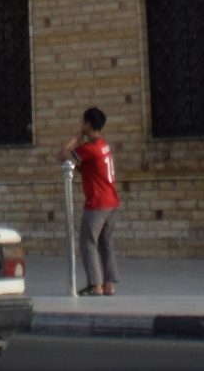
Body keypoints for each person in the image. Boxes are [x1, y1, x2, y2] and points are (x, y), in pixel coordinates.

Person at [59, 107, 119, 296]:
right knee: (106, 244)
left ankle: (95, 285)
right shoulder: (104, 145)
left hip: (97, 202)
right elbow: (87, 168)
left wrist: (75, 139)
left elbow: (62, 155)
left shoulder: (90, 148)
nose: (81, 124)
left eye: (83, 121)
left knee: (87, 243)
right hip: (111, 201)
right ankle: (109, 284)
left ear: (88, 124)